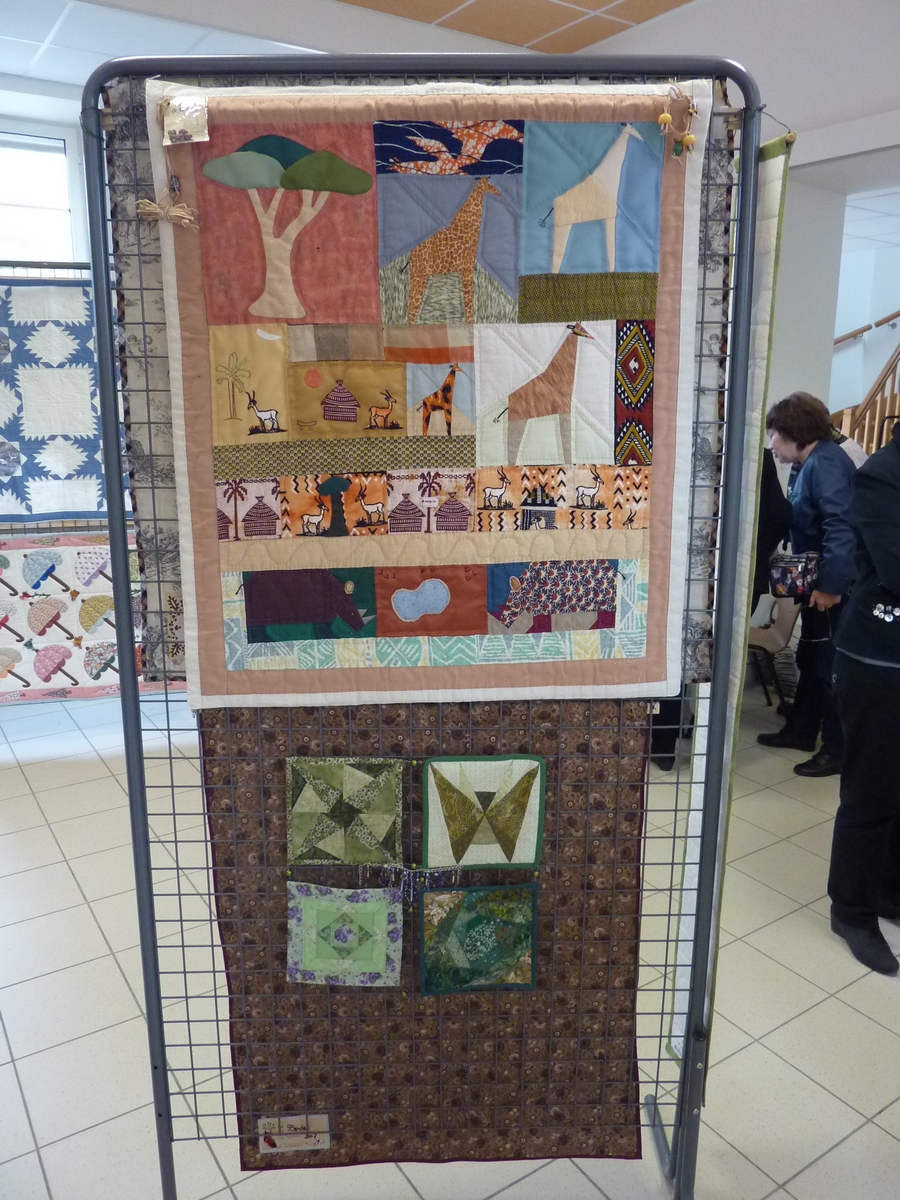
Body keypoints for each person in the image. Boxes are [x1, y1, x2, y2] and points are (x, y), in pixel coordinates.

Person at [828, 421, 900, 974]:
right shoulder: (883, 474)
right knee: (871, 793)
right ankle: (852, 911)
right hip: (878, 660)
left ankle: (889, 890)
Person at [757, 392, 857, 776]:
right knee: (811, 658)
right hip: (815, 582)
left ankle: (836, 750)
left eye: (775, 435)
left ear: (794, 433)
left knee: (828, 666)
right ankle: (801, 730)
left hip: (831, 589)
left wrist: (831, 586)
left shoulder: (826, 464)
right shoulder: (810, 462)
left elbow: (841, 529)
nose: (772, 444)